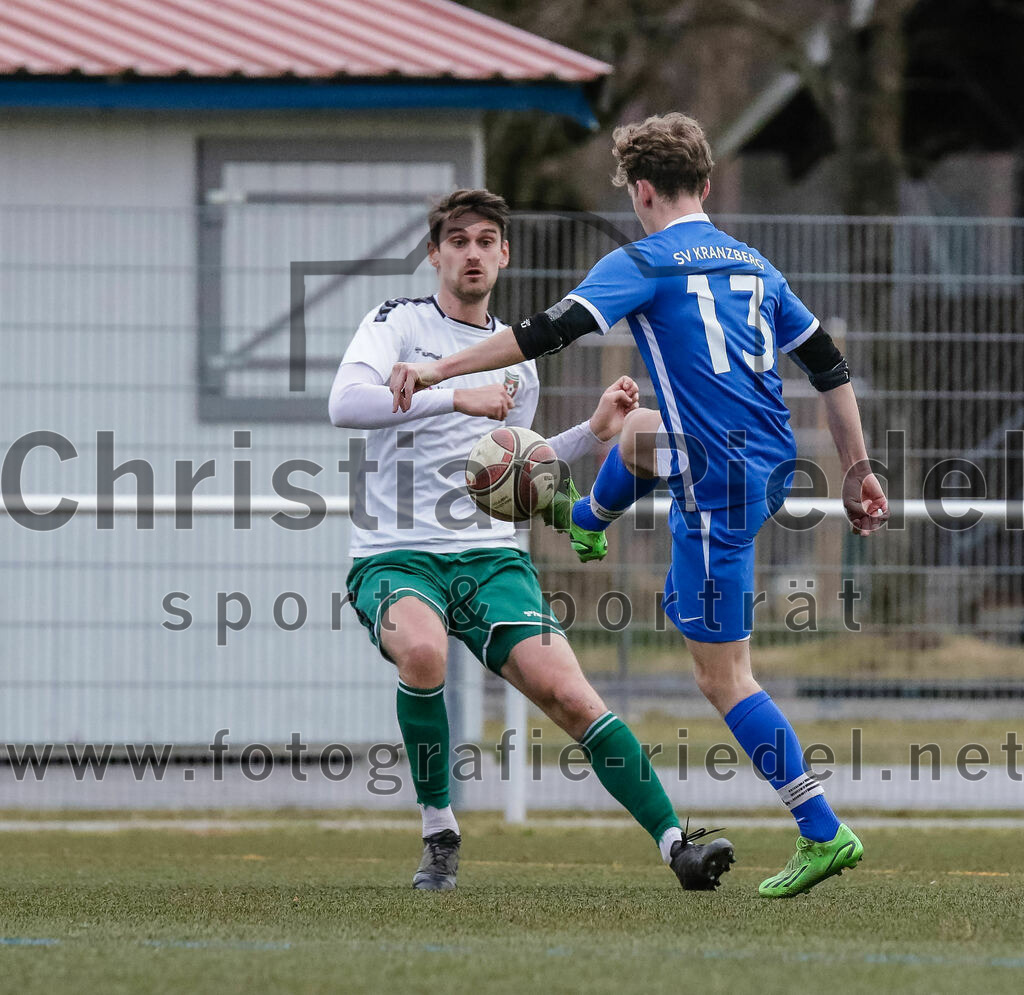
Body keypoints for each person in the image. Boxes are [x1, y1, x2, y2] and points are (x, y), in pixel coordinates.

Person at [388, 118, 890, 898]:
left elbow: (544, 332)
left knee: (723, 678)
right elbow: (828, 366)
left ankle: (822, 829)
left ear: (643, 191)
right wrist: (859, 468)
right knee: (642, 430)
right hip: (757, 462)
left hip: (719, 488)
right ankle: (587, 523)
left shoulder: (644, 261)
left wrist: (436, 367)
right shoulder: (754, 264)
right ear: (709, 186)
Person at [329, 188, 734, 893]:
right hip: (395, 554)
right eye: (459, 240)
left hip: (491, 557)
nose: (474, 251)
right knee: (421, 650)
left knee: (572, 695)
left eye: (487, 239)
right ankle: (439, 829)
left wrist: (595, 430)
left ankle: (678, 844)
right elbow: (344, 405)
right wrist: (454, 394)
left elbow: (523, 466)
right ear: (435, 254)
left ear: (505, 253)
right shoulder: (395, 323)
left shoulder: (517, 358)